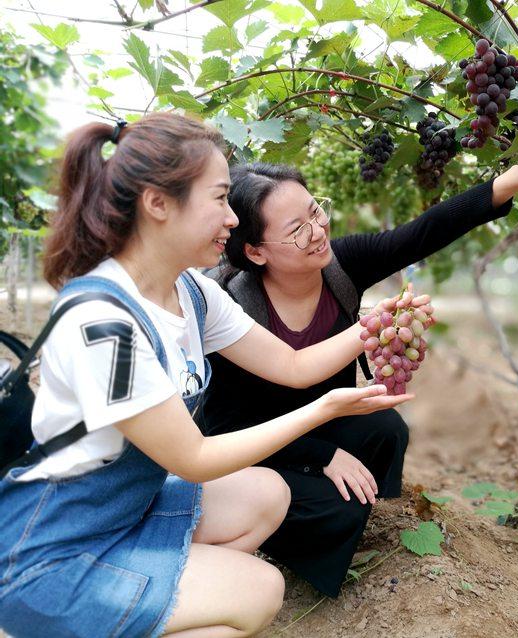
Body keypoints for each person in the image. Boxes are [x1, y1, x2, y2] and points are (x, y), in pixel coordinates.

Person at [0, 112, 411, 638]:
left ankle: (142, 605)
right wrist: (323, 410)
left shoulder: (192, 294)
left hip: (128, 511)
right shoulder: (104, 325)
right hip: (53, 552)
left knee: (266, 495)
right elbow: (192, 459)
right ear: (158, 205)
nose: (233, 219)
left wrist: (376, 325)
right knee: (259, 590)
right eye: (219, 198)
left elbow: (290, 364)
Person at [202, 126, 518, 597]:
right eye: (297, 230)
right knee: (338, 510)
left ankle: (348, 519)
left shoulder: (340, 266)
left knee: (386, 431)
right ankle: (285, 548)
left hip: (320, 418)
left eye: (316, 212)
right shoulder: (233, 312)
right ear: (255, 252)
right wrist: (321, 457)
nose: (318, 232)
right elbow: (224, 427)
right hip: (256, 445)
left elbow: (422, 233)